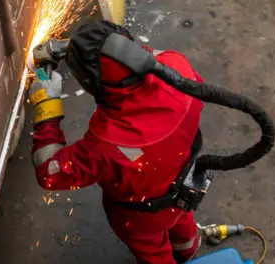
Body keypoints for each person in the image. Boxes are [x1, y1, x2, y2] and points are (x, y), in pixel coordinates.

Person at [29, 20, 204, 264]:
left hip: (143, 215)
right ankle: (189, 252)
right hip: (186, 183)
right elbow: (138, 53)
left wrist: (47, 107)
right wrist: (76, 46)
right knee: (182, 220)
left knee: (153, 251)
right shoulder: (178, 66)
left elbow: (49, 172)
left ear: (91, 83)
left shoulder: (107, 143)